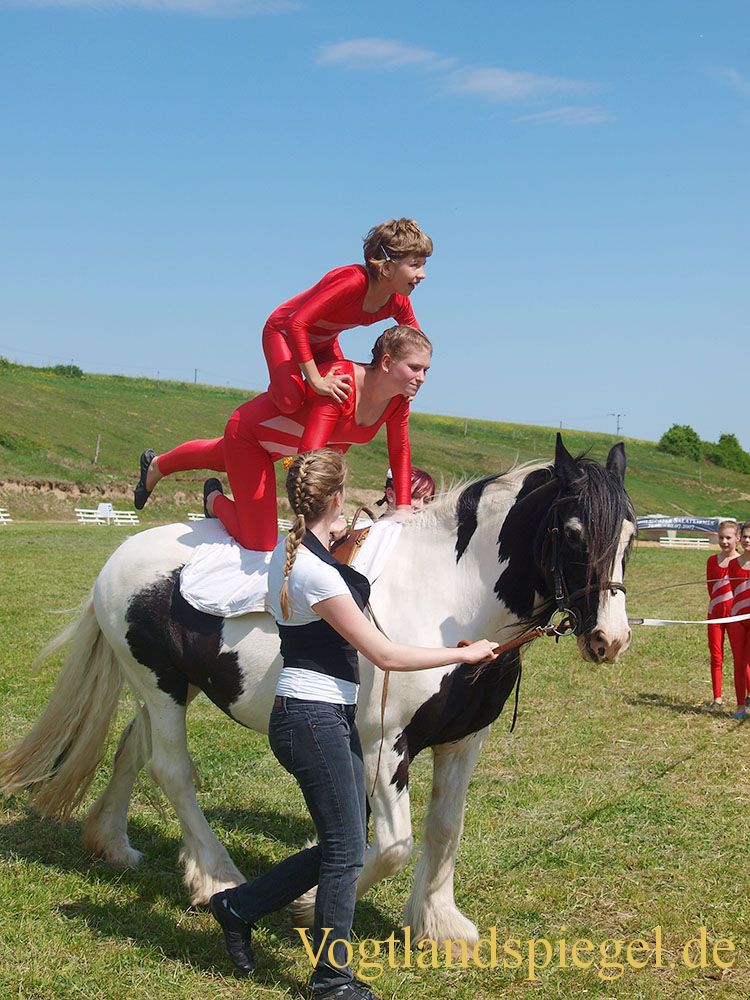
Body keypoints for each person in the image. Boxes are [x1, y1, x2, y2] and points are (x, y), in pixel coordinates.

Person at [208, 449, 498, 999]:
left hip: (320, 715)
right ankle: (329, 977)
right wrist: (461, 656)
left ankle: (237, 906)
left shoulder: (289, 555)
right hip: (311, 718)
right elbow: (383, 655)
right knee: (344, 850)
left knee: (336, 847)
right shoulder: (315, 573)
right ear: (336, 498)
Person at [133, 326, 432, 550]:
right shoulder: (343, 381)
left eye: (426, 370)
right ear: (387, 362)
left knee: (214, 455)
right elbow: (309, 456)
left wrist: (402, 508)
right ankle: (214, 501)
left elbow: (399, 450)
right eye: (415, 368)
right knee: (260, 542)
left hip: (281, 448)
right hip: (251, 435)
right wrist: (320, 519)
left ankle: (157, 464)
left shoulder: (398, 401)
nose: (421, 378)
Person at [263, 218, 432, 414]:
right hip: (283, 333)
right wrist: (316, 380)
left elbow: (417, 348)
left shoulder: (398, 302)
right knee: (290, 400)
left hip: (323, 342)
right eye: (415, 265)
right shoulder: (352, 282)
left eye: (423, 265)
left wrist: (407, 381)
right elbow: (296, 324)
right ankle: (273, 397)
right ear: (387, 268)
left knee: (345, 393)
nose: (423, 274)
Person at [706, 520, 738, 708]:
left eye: (728, 537)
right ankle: (717, 698)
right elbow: (711, 588)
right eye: (721, 538)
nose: (724, 541)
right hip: (715, 615)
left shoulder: (743, 561)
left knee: (740, 657)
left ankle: (747, 695)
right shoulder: (712, 561)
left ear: (737, 538)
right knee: (716, 657)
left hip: (736, 618)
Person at [727, 521, 750, 719]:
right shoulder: (733, 564)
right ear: (740, 539)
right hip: (737, 618)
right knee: (739, 663)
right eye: (745, 537)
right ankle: (740, 705)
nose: (748, 540)